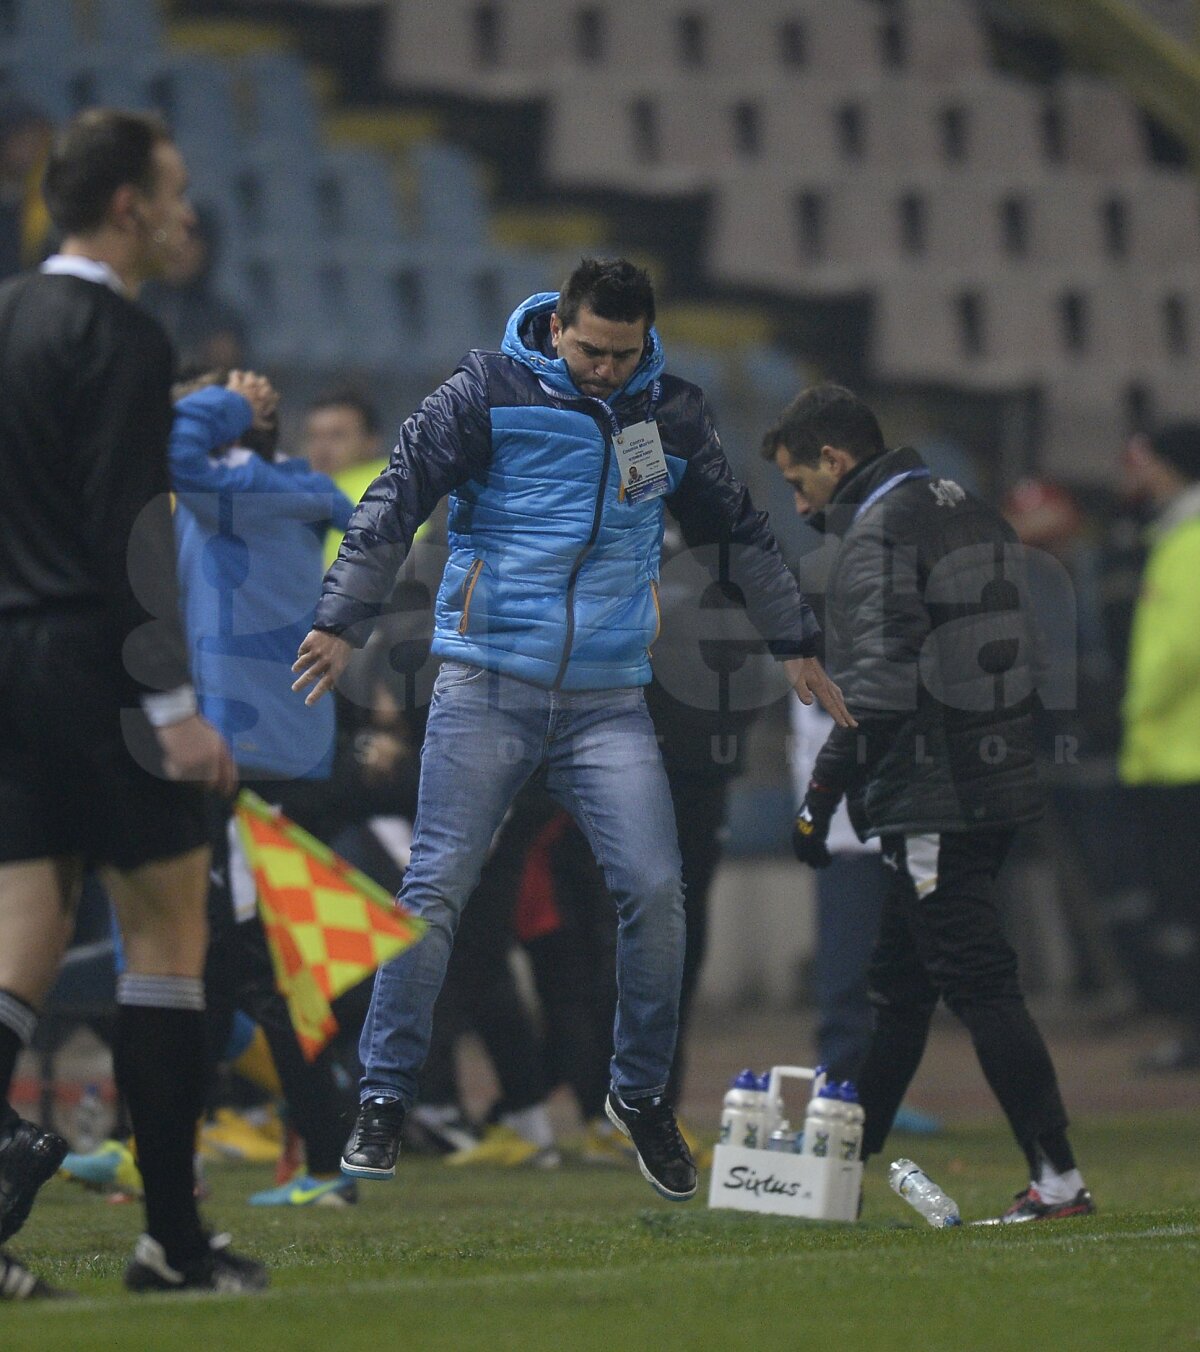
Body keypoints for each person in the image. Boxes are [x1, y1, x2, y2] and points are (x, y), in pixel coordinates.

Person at [292, 257, 853, 1204]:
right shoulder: (484, 392)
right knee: (436, 888)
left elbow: (735, 532)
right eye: (592, 350)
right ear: (556, 327)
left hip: (606, 699)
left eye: (624, 354)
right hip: (486, 684)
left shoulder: (669, 413)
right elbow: (396, 497)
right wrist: (343, 616)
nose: (605, 369)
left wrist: (794, 638)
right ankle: (384, 1095)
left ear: (646, 341)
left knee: (657, 893)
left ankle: (637, 1095)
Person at [0, 108, 268, 1300]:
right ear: (126, 207)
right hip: (95, 665)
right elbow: (131, 525)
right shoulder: (121, 332)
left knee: (23, 935)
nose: (183, 213)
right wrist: (172, 706)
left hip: (7, 660)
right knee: (166, 937)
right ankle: (173, 1242)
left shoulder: (6, 314)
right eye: (171, 191)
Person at [765, 382, 1093, 1223]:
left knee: (978, 984)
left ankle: (1058, 1179)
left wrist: (821, 796)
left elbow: (876, 690)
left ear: (834, 458)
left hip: (934, 795)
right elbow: (1026, 653)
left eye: (800, 483)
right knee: (899, 989)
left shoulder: (879, 532)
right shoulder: (968, 509)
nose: (798, 505)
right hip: (991, 779)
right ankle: (838, 1173)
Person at [1118, 423, 1200, 1072]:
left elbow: (1180, 648)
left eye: (1145, 460)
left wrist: (1137, 708)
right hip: (1175, 753)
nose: (1136, 472)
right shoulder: (1172, 535)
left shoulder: (1188, 538)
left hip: (1183, 754)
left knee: (1186, 905)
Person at [138, 202, 246, 373]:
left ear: (206, 249)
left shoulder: (221, 319)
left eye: (190, 242)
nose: (179, 250)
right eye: (171, 237)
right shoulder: (136, 305)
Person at [300, 389, 390, 569]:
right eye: (313, 436)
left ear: (372, 442)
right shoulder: (303, 490)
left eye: (337, 436)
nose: (322, 448)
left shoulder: (390, 488)